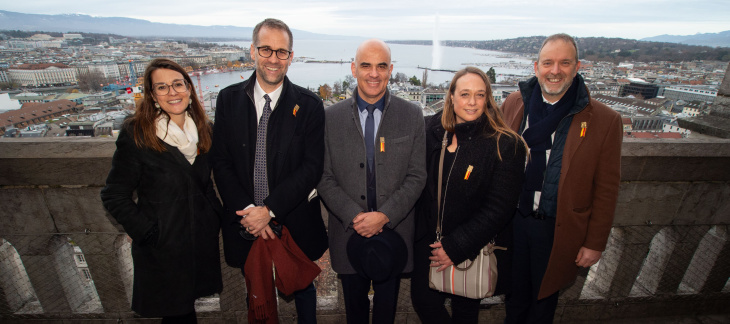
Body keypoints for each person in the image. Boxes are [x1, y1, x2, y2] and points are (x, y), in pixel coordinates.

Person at [209, 18, 328, 323]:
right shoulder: (228, 100)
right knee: (256, 291)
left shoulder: (310, 105)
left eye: (282, 52)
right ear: (252, 51)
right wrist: (251, 211)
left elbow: (311, 167)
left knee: (303, 289)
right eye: (266, 49)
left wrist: (270, 210)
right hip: (244, 221)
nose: (274, 59)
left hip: (294, 220)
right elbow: (220, 162)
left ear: (291, 57)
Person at [502, 33, 623, 323]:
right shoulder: (515, 103)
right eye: (548, 63)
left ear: (577, 66)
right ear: (536, 67)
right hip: (513, 223)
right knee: (513, 299)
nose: (555, 71)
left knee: (543, 306)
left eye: (564, 63)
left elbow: (606, 188)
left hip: (556, 230)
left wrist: (595, 243)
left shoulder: (604, 120)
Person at [101, 58, 223, 323]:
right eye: (162, 87)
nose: (172, 92)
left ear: (189, 88)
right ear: (153, 95)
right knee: (177, 314)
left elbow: (205, 183)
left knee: (185, 310)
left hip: (198, 240)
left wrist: (215, 217)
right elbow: (114, 194)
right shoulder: (138, 134)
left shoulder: (203, 131)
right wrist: (146, 232)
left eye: (178, 84)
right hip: (163, 247)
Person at [317, 38, 427, 324]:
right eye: (366, 65)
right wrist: (355, 216)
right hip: (348, 233)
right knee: (353, 312)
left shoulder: (412, 114)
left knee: (385, 314)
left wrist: (385, 215)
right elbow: (323, 176)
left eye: (381, 66)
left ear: (391, 70)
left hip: (394, 234)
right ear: (353, 69)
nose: (373, 73)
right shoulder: (330, 118)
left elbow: (417, 175)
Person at [411, 67, 527, 323]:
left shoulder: (506, 144)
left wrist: (456, 247)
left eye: (480, 94)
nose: (472, 102)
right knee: (424, 302)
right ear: (451, 96)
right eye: (464, 94)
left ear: (488, 99)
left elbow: (500, 207)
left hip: (472, 245)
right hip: (428, 242)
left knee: (465, 311)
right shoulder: (429, 130)